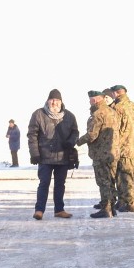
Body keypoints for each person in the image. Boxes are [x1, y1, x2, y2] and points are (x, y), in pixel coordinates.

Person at [27, 89, 79, 220]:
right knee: (44, 183)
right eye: (52, 99)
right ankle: (39, 210)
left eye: (57, 100)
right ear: (48, 100)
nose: (54, 102)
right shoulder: (38, 114)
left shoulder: (69, 116)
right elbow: (32, 135)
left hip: (63, 156)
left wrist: (71, 142)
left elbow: (75, 132)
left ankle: (59, 210)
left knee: (60, 184)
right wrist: (34, 153)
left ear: (61, 102)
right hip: (44, 156)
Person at [76, 90, 120, 218]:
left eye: (90, 100)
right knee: (111, 180)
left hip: (101, 153)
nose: (89, 103)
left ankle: (106, 209)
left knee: (103, 182)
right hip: (113, 152)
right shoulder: (112, 112)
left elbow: (92, 135)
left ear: (95, 100)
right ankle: (112, 207)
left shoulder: (97, 114)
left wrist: (78, 141)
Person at [111, 84, 134, 212]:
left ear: (115, 93)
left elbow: (114, 131)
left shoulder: (116, 108)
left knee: (126, 178)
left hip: (125, 149)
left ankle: (129, 204)